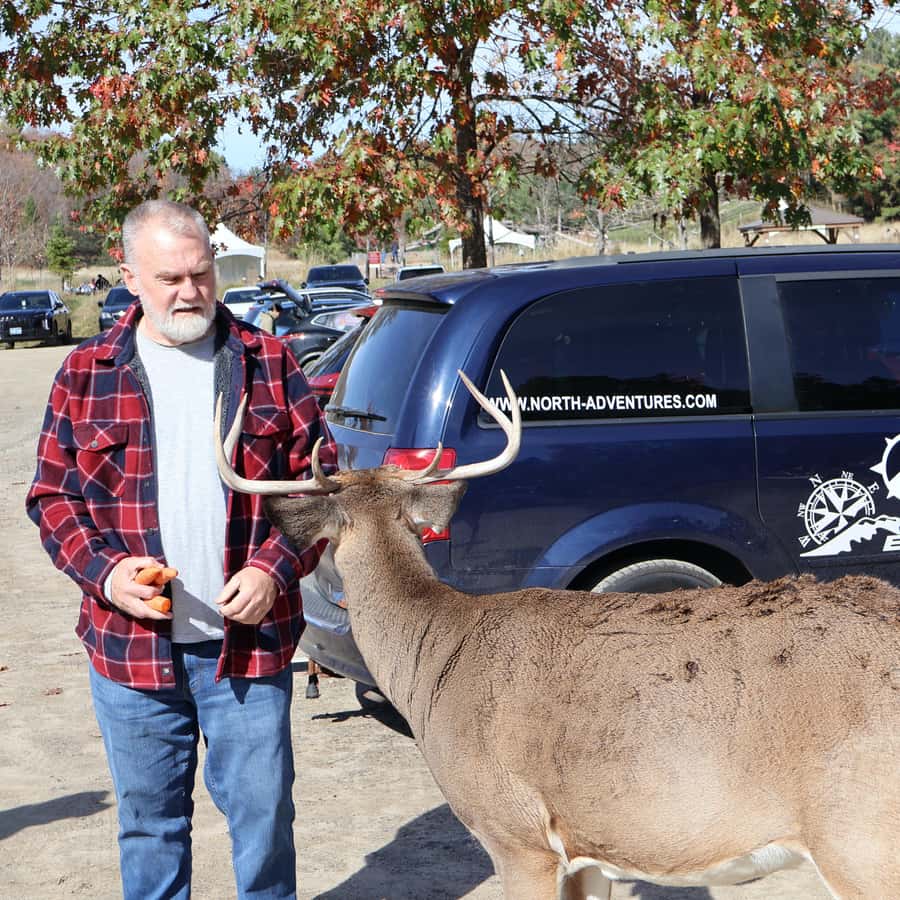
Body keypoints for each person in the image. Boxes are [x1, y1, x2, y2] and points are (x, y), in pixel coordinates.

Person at [27, 199, 336, 900]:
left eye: (201, 274)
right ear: (129, 278)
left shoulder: (269, 361)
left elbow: (320, 488)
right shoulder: (86, 372)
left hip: (247, 648)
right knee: (150, 828)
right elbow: (52, 498)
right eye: (170, 278)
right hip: (130, 652)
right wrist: (108, 576)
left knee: (264, 822)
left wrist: (273, 569)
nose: (190, 292)